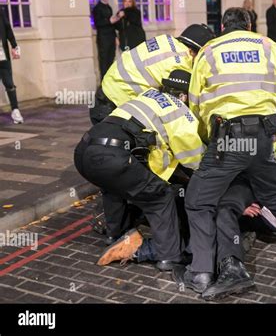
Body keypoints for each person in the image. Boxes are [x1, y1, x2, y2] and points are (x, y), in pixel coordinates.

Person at [174, 7, 276, 296]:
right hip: (265, 137)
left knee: (197, 200)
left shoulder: (209, 50)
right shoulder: (269, 46)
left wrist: (209, 139)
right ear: (250, 25)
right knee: (273, 194)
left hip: (228, 139)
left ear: (223, 27)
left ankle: (202, 272)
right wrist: (272, 117)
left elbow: (196, 102)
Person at [75, 70, 204, 271]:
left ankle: (115, 235)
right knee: (160, 197)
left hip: (84, 151)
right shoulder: (179, 110)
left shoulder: (147, 95)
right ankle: (169, 256)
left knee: (113, 187)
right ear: (184, 95)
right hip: (113, 156)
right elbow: (194, 159)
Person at [100, 24, 215, 109]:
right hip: (117, 101)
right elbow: (179, 108)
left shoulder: (165, 39)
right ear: (192, 51)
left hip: (105, 88)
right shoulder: (181, 63)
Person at [0, 7, 22, 124]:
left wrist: (14, 45)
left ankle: (15, 110)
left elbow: (8, 28)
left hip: (3, 56)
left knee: (9, 83)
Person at [93, 0, 118, 80]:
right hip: (103, 39)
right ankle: (104, 84)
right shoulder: (97, 8)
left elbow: (113, 25)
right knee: (104, 62)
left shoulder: (109, 7)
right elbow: (98, 23)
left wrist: (115, 37)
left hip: (111, 37)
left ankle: (110, 82)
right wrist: (109, 21)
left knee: (111, 60)